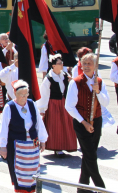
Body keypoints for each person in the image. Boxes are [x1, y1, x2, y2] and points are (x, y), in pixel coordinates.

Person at [64, 52, 111, 192]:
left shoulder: (100, 82)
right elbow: (69, 107)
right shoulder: (76, 82)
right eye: (84, 64)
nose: (86, 66)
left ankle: (82, 187)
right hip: (81, 123)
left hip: (96, 121)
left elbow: (106, 102)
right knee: (91, 155)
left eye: (89, 63)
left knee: (88, 155)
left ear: (96, 65)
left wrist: (98, 91)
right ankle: (101, 188)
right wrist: (84, 123)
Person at [0, 80, 48, 193]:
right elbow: (4, 128)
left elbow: (39, 123)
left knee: (33, 173)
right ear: (15, 94)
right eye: (22, 95)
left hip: (32, 146)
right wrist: (2, 146)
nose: (24, 97)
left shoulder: (31, 104)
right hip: (17, 147)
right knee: (20, 174)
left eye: (26, 95)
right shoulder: (9, 107)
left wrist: (43, 140)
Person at [36, 53, 77, 157]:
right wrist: (42, 109)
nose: (62, 64)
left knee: (67, 125)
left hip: (64, 103)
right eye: (59, 63)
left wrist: (71, 82)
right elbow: (44, 95)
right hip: (54, 104)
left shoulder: (65, 75)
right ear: (53, 65)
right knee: (56, 126)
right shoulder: (49, 78)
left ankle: (66, 145)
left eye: (62, 62)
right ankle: (57, 148)